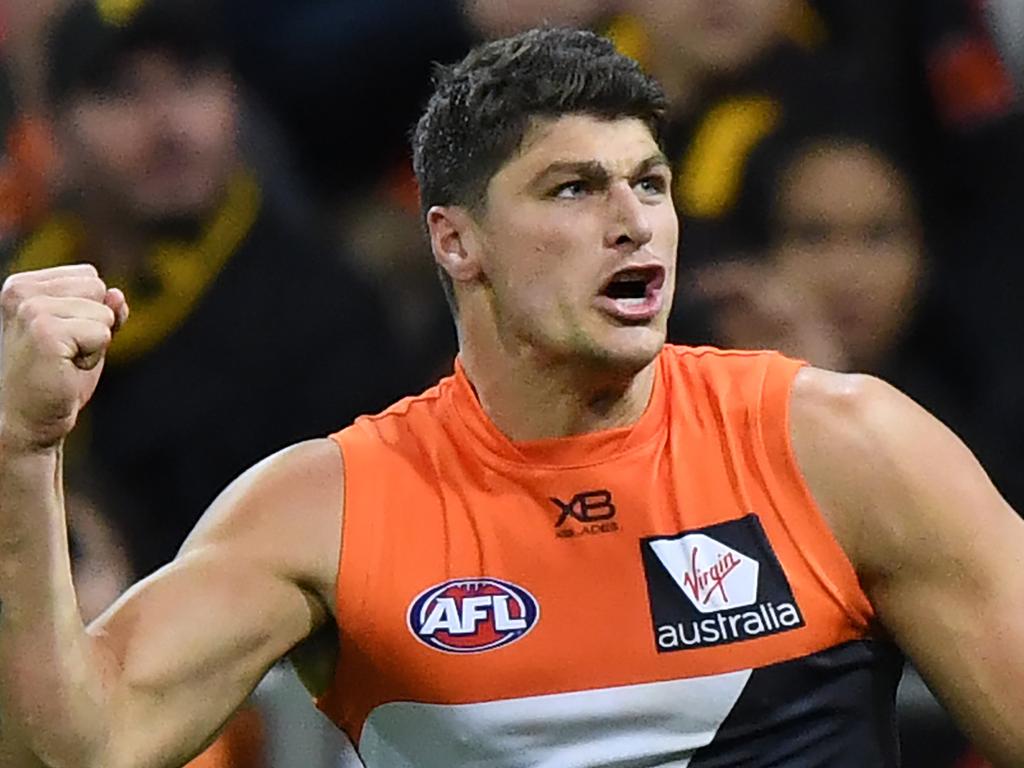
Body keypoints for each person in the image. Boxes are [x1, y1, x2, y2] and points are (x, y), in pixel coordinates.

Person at [1, 27, 1022, 768]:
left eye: (651, 183)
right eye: (574, 189)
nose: (634, 223)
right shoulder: (329, 509)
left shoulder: (841, 447)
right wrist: (19, 453)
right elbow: (76, 752)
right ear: (454, 240)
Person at [5, 0, 406, 576]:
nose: (169, 125)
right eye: (120, 91)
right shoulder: (19, 292)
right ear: (53, 133)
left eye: (191, 81)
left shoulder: (322, 312)